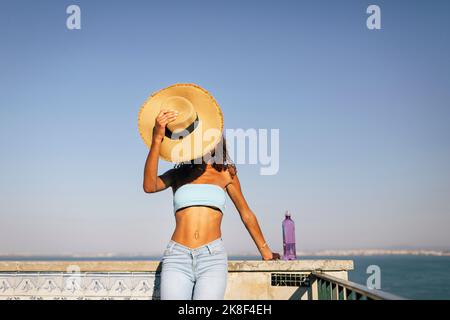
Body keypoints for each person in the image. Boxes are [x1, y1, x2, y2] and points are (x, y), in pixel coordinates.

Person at [139, 83, 280, 300]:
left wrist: (266, 252)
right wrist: (157, 139)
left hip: (212, 258)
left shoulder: (226, 173)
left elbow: (246, 213)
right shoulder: (178, 174)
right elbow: (149, 186)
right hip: (177, 256)